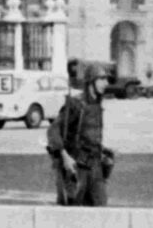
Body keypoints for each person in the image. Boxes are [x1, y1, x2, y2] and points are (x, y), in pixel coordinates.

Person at [46, 60, 114, 207]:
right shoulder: (76, 104)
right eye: (102, 79)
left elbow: (89, 135)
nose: (106, 83)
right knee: (73, 212)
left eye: (106, 79)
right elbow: (53, 130)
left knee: (101, 208)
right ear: (91, 81)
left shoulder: (97, 104)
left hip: (95, 167)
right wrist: (65, 157)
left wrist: (103, 151)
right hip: (77, 167)